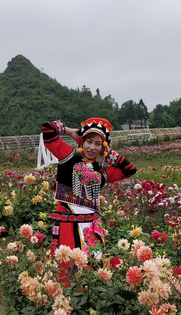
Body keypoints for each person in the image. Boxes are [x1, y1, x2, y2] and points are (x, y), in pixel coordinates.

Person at [41, 118, 136, 284]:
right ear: (81, 142)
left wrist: (109, 154)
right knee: (69, 269)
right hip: (68, 226)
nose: (92, 147)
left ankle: (89, 304)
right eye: (88, 141)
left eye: (98, 144)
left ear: (102, 148)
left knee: (93, 269)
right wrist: (71, 132)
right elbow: (48, 130)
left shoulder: (102, 171)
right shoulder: (67, 157)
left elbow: (129, 169)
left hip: (92, 228)